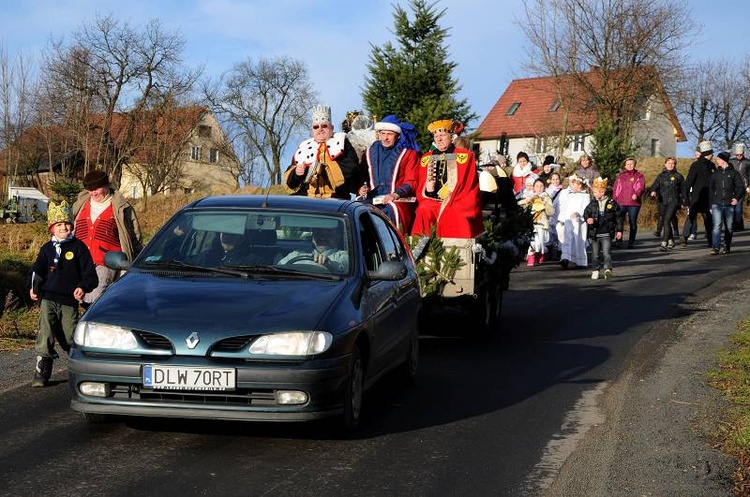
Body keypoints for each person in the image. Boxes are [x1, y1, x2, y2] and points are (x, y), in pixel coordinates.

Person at [29, 200, 98, 387]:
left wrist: (83, 287)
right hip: (48, 298)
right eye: (59, 225)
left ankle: (81, 365)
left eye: (67, 224)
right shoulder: (47, 249)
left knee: (69, 336)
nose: (64, 228)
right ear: (52, 228)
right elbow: (37, 271)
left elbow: (90, 274)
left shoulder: (79, 248)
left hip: (68, 301)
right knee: (46, 332)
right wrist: (33, 289)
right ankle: (42, 369)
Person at [72, 169, 143, 305]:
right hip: (79, 261)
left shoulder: (121, 207)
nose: (93, 193)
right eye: (90, 190)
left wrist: (137, 258)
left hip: (106, 261)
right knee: (74, 298)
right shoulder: (80, 205)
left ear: (107, 185)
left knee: (95, 298)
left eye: (96, 188)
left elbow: (135, 236)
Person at [411, 119, 483, 238]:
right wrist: (427, 189)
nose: (439, 139)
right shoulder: (426, 158)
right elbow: (421, 187)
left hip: (457, 200)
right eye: (436, 136)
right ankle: (421, 250)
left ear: (452, 136)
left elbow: (470, 186)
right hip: (432, 201)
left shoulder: (465, 157)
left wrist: (450, 199)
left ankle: (454, 252)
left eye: (443, 135)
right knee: (424, 209)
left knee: (452, 212)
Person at [357, 114, 420, 234]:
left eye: (389, 134)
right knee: (357, 207)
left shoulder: (408, 154)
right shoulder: (370, 152)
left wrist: (395, 194)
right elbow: (363, 177)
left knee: (391, 210)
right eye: (383, 133)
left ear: (397, 136)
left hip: (398, 198)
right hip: (373, 197)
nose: (385, 138)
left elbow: (412, 181)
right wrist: (362, 188)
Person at [284, 105, 360, 199]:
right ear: (312, 130)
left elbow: (352, 169)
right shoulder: (304, 147)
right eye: (316, 127)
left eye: (324, 126)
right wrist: (296, 173)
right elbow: (291, 184)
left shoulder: (343, 143)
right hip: (307, 198)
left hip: (336, 198)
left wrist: (325, 169)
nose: (320, 129)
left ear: (332, 128)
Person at [584, 178, 623, 280]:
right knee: (595, 254)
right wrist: (588, 218)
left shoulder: (612, 203)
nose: (594, 194)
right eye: (594, 192)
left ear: (602, 191)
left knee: (607, 253)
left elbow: (618, 217)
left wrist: (619, 230)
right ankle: (596, 270)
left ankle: (607, 269)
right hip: (595, 233)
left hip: (607, 233)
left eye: (596, 192)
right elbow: (586, 213)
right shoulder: (592, 203)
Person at [708, 152, 745, 254]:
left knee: (729, 227)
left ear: (723, 160)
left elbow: (741, 188)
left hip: (729, 204)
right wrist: (710, 205)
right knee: (717, 225)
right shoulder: (715, 174)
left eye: (718, 159)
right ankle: (715, 247)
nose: (717, 160)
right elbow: (711, 190)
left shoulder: (734, 173)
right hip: (716, 204)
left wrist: (736, 198)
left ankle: (727, 246)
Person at [681, 140, 715, 246]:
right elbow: (689, 182)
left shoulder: (709, 165)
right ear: (708, 154)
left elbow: (689, 181)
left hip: (703, 196)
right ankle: (687, 237)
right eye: (711, 153)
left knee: (701, 217)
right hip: (701, 196)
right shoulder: (699, 165)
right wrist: (685, 196)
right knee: (698, 217)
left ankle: (709, 240)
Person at [277, 226, 349, 273]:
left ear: (338, 237)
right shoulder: (296, 255)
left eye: (328, 233)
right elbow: (278, 270)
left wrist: (329, 264)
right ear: (313, 239)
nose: (322, 238)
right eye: (318, 233)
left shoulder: (343, 256)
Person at [648, 157, 684, 251]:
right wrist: (653, 191)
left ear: (675, 165)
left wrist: (684, 201)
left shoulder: (678, 176)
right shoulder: (661, 176)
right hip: (662, 201)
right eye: (668, 163)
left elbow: (683, 190)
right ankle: (671, 240)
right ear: (665, 164)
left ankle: (664, 243)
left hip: (674, 201)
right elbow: (654, 186)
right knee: (665, 220)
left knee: (667, 219)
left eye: (673, 163)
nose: (670, 165)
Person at [555, 174, 590, 269]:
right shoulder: (570, 195)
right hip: (568, 219)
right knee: (567, 238)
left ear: (579, 185)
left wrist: (578, 214)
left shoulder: (585, 196)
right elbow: (566, 206)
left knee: (578, 240)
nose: (572, 186)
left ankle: (580, 261)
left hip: (579, 221)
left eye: (574, 184)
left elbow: (585, 208)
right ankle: (565, 258)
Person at [518, 178, 555, 266]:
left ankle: (540, 253)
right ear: (534, 187)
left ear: (544, 187)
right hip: (532, 223)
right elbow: (519, 204)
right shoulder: (530, 197)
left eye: (541, 186)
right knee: (533, 241)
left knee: (541, 241)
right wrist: (527, 201)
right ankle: (531, 256)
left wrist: (545, 204)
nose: (539, 188)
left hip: (542, 223)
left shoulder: (546, 198)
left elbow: (551, 212)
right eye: (537, 186)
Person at [612, 157, 646, 248]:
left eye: (631, 164)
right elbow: (616, 189)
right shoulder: (620, 176)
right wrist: (614, 200)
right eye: (628, 164)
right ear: (625, 165)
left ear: (634, 165)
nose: (630, 165)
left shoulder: (639, 175)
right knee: (619, 221)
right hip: (621, 202)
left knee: (632, 222)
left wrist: (637, 194)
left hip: (634, 204)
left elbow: (641, 187)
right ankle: (619, 240)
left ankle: (631, 241)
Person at [728, 142, 750, 231]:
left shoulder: (747, 162)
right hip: (732, 186)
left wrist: (749, 186)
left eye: (741, 154)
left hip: (743, 187)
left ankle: (737, 225)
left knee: (738, 207)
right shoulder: (731, 162)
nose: (739, 156)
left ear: (743, 154)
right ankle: (738, 225)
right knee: (732, 206)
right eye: (737, 154)